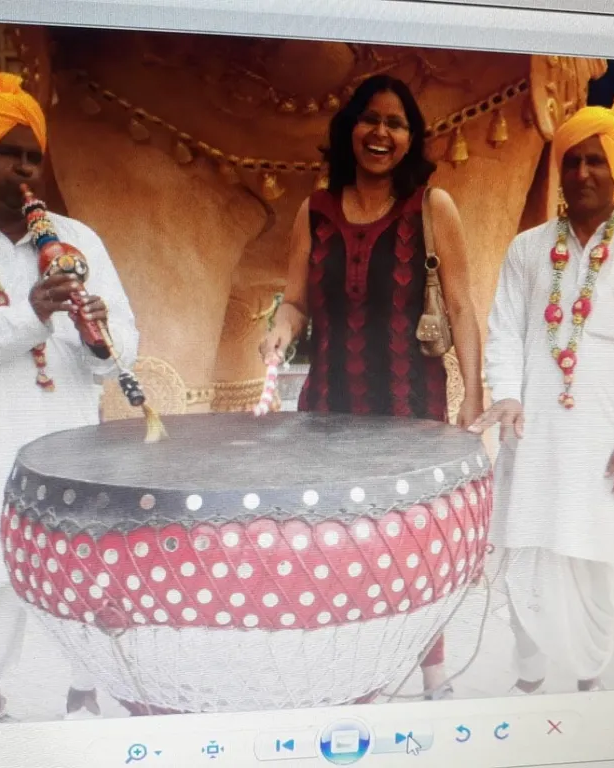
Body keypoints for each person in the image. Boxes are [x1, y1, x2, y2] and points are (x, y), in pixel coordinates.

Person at [0, 70, 140, 723]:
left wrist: (98, 339)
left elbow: (123, 341)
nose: (25, 168)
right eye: (8, 153)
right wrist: (31, 315)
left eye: (32, 155)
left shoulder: (79, 240)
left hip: (68, 449)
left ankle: (83, 696)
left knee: (81, 575)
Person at [259, 74, 484, 700]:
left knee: (411, 540)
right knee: (335, 539)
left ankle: (433, 677)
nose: (381, 133)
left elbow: (463, 307)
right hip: (328, 406)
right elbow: (296, 303)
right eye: (370, 119)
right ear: (349, 128)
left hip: (410, 406)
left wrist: (474, 397)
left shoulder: (433, 208)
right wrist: (278, 332)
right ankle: (351, 677)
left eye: (396, 123)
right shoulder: (316, 210)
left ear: (411, 139)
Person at [470, 93, 614, 694]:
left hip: (610, 442)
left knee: (599, 564)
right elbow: (504, 326)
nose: (582, 172)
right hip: (534, 438)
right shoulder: (528, 248)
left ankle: (591, 680)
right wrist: (506, 394)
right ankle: (529, 679)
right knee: (528, 558)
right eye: (571, 160)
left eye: (595, 160)